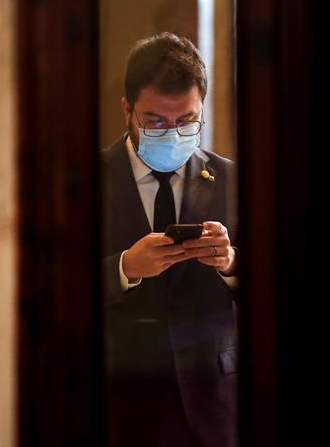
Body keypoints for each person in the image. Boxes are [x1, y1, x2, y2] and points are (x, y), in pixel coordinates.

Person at [102, 32, 239, 447]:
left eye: (186, 121)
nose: (173, 132)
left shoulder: (232, 180)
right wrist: (124, 268)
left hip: (211, 403)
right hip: (119, 399)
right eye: (156, 122)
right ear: (127, 110)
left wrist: (231, 263)